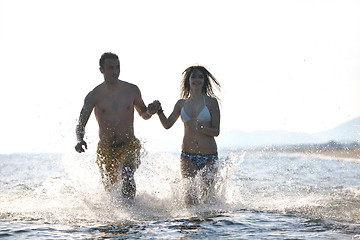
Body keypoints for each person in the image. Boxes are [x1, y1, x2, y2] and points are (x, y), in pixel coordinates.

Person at [75, 52, 158, 199]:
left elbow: (143, 114)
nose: (115, 71)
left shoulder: (132, 90)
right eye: (111, 68)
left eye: (117, 67)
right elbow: (81, 124)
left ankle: (131, 212)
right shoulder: (93, 95)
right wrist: (79, 139)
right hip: (106, 149)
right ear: (102, 70)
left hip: (128, 145)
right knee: (111, 192)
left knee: (127, 173)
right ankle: (118, 217)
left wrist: (150, 112)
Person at [151, 65, 221, 205]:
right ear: (188, 80)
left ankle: (209, 227)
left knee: (207, 200)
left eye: (200, 77)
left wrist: (204, 129)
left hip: (209, 157)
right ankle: (191, 226)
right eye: (193, 76)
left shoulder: (211, 102)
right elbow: (167, 124)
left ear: (205, 81)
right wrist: (159, 111)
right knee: (190, 200)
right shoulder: (181, 104)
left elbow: (216, 131)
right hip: (187, 156)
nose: (197, 80)